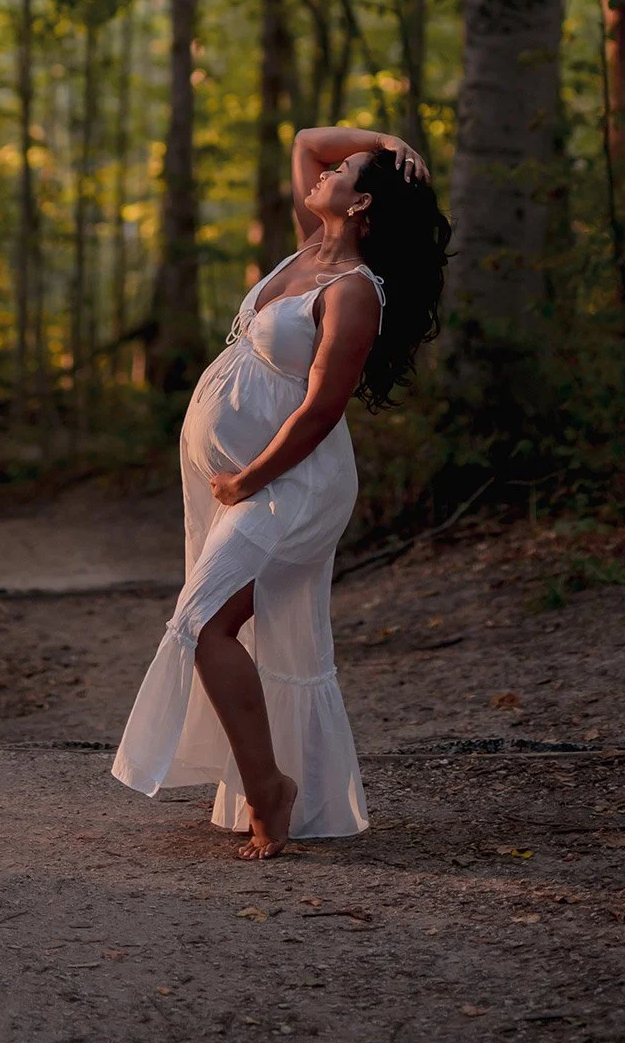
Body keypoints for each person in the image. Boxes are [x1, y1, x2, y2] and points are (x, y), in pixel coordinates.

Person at [112, 125, 451, 858]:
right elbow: (305, 138)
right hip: (246, 476)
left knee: (203, 623)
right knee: (219, 626)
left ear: (360, 204)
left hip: (291, 485)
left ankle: (270, 788)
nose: (320, 172)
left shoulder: (353, 291)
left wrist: (247, 477)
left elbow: (322, 409)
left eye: (343, 172)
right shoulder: (308, 247)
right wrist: (388, 140)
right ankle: (263, 783)